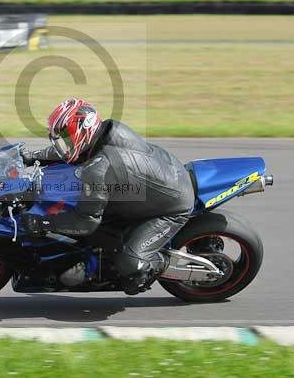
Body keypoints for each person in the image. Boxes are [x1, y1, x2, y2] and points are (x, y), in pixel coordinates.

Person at [20, 98, 195, 294]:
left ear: (82, 131)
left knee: (129, 265)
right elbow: (73, 150)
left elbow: (86, 223)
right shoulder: (106, 130)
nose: (63, 145)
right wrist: (34, 156)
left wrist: (43, 223)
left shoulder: (98, 169)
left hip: (172, 205)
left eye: (66, 138)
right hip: (161, 176)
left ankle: (155, 264)